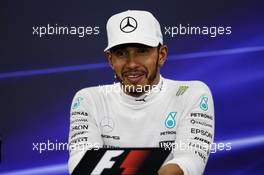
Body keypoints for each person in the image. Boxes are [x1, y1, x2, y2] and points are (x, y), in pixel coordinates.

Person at [68, 10, 215, 175]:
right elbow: (81, 164)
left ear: (162, 55)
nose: (131, 64)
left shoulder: (191, 94)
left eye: (142, 51)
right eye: (121, 53)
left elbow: (188, 163)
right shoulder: (89, 100)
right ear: (110, 60)